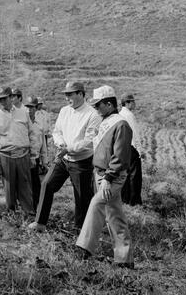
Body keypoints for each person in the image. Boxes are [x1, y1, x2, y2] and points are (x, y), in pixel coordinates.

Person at [29, 81, 101, 233]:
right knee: (47, 184)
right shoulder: (64, 111)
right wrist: (61, 144)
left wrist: (69, 149)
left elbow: (89, 141)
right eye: (66, 95)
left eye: (70, 95)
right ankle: (40, 222)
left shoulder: (92, 114)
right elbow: (57, 131)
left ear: (80, 94)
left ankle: (81, 230)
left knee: (82, 196)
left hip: (82, 161)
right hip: (63, 158)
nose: (67, 98)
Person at [76, 85, 134, 268]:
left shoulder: (121, 124)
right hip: (101, 174)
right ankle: (124, 259)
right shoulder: (106, 121)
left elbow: (120, 156)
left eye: (98, 105)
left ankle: (84, 248)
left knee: (96, 204)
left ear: (109, 104)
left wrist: (108, 179)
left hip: (112, 176)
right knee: (114, 215)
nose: (96, 109)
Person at [0, 85, 36, 215]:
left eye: (4, 98)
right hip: (6, 157)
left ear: (11, 97)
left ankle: (28, 214)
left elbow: (32, 134)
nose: (2, 102)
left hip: (23, 155)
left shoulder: (23, 113)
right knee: (9, 189)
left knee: (25, 187)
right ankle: (12, 215)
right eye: (0, 100)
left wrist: (33, 156)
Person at [24, 95, 47, 210]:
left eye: (32, 107)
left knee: (35, 184)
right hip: (23, 157)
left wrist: (44, 161)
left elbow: (43, 144)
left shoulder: (39, 123)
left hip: (35, 158)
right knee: (24, 184)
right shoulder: (21, 122)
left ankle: (36, 207)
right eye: (27, 107)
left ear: (36, 108)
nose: (29, 110)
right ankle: (25, 207)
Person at [119, 93, 142, 205]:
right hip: (131, 148)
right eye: (133, 101)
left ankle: (125, 199)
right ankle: (134, 201)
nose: (134, 103)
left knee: (125, 175)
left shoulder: (120, 114)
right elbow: (135, 134)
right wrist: (139, 150)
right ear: (127, 103)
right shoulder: (129, 115)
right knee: (134, 175)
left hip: (123, 148)